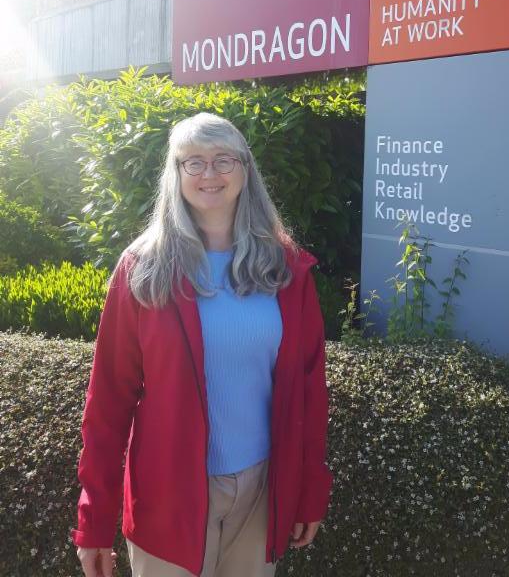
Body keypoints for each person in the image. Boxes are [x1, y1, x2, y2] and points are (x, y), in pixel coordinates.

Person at [71, 111, 333, 577]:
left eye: (222, 159)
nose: (209, 173)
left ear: (245, 169)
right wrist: (94, 522)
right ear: (176, 174)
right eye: (193, 161)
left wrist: (310, 489)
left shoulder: (286, 270)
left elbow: (310, 392)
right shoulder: (142, 270)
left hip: (260, 493)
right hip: (167, 498)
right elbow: (108, 402)